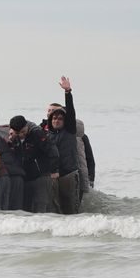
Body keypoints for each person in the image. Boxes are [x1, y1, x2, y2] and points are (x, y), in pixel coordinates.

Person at [8, 115, 58, 213]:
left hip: (42, 176)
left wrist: (54, 170)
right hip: (26, 177)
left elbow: (53, 152)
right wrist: (13, 140)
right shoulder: (16, 137)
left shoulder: (37, 133)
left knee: (40, 207)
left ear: (26, 126)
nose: (21, 135)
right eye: (18, 133)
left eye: (23, 132)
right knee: (26, 210)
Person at [46, 77, 81, 214]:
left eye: (60, 118)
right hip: (54, 175)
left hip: (69, 174)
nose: (57, 120)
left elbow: (71, 112)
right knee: (55, 207)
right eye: (54, 118)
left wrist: (68, 92)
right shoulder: (48, 135)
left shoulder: (70, 131)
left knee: (70, 207)